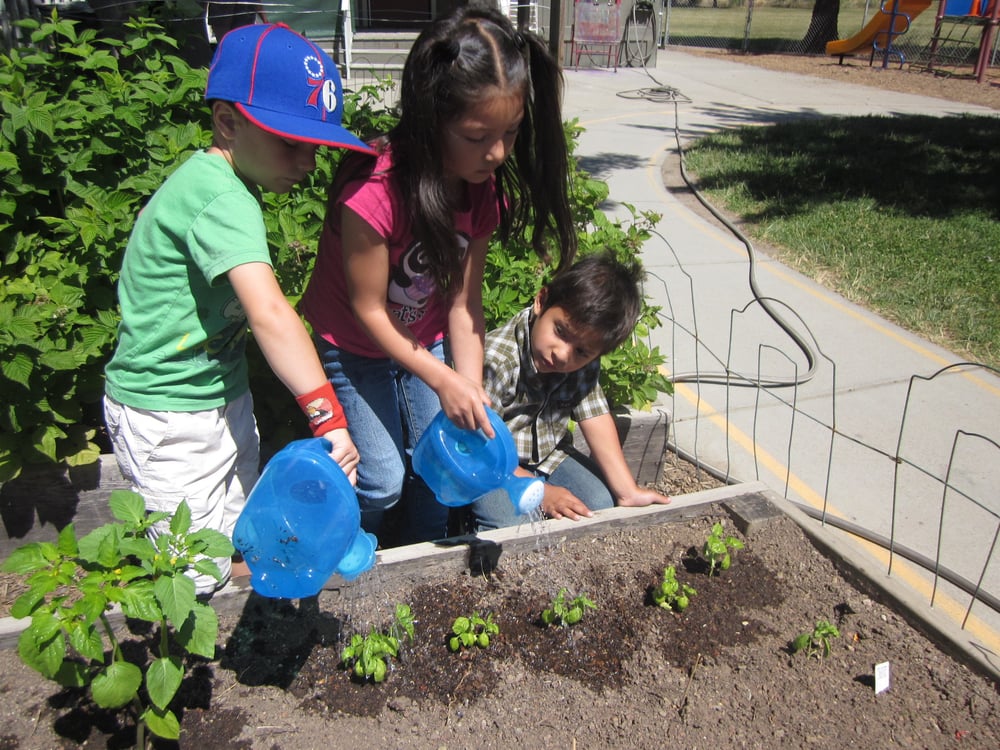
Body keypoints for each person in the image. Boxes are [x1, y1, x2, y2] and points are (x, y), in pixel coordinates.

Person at [103, 23, 373, 596]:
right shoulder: (219, 194)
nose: (307, 161)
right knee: (190, 573)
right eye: (290, 142)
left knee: (231, 536)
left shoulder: (233, 187)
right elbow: (270, 313)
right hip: (168, 412)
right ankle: (187, 661)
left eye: (314, 145)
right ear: (228, 123)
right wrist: (328, 415)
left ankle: (234, 633)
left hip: (217, 397)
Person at [300, 4, 577, 545]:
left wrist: (466, 386)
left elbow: (463, 305)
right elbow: (370, 309)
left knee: (440, 458)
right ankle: (353, 542)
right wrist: (443, 378)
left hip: (424, 339)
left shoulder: (480, 188)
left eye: (511, 133)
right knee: (380, 480)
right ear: (432, 119)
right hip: (356, 342)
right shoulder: (373, 192)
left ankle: (419, 556)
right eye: (477, 136)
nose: (497, 153)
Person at [469, 253, 672, 532]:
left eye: (582, 351)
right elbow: (475, 443)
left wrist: (627, 490)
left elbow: (596, 416)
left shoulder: (583, 363)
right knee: (512, 524)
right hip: (489, 464)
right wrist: (538, 491)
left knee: (599, 503)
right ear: (542, 301)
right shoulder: (496, 361)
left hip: (547, 457)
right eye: (561, 332)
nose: (563, 355)